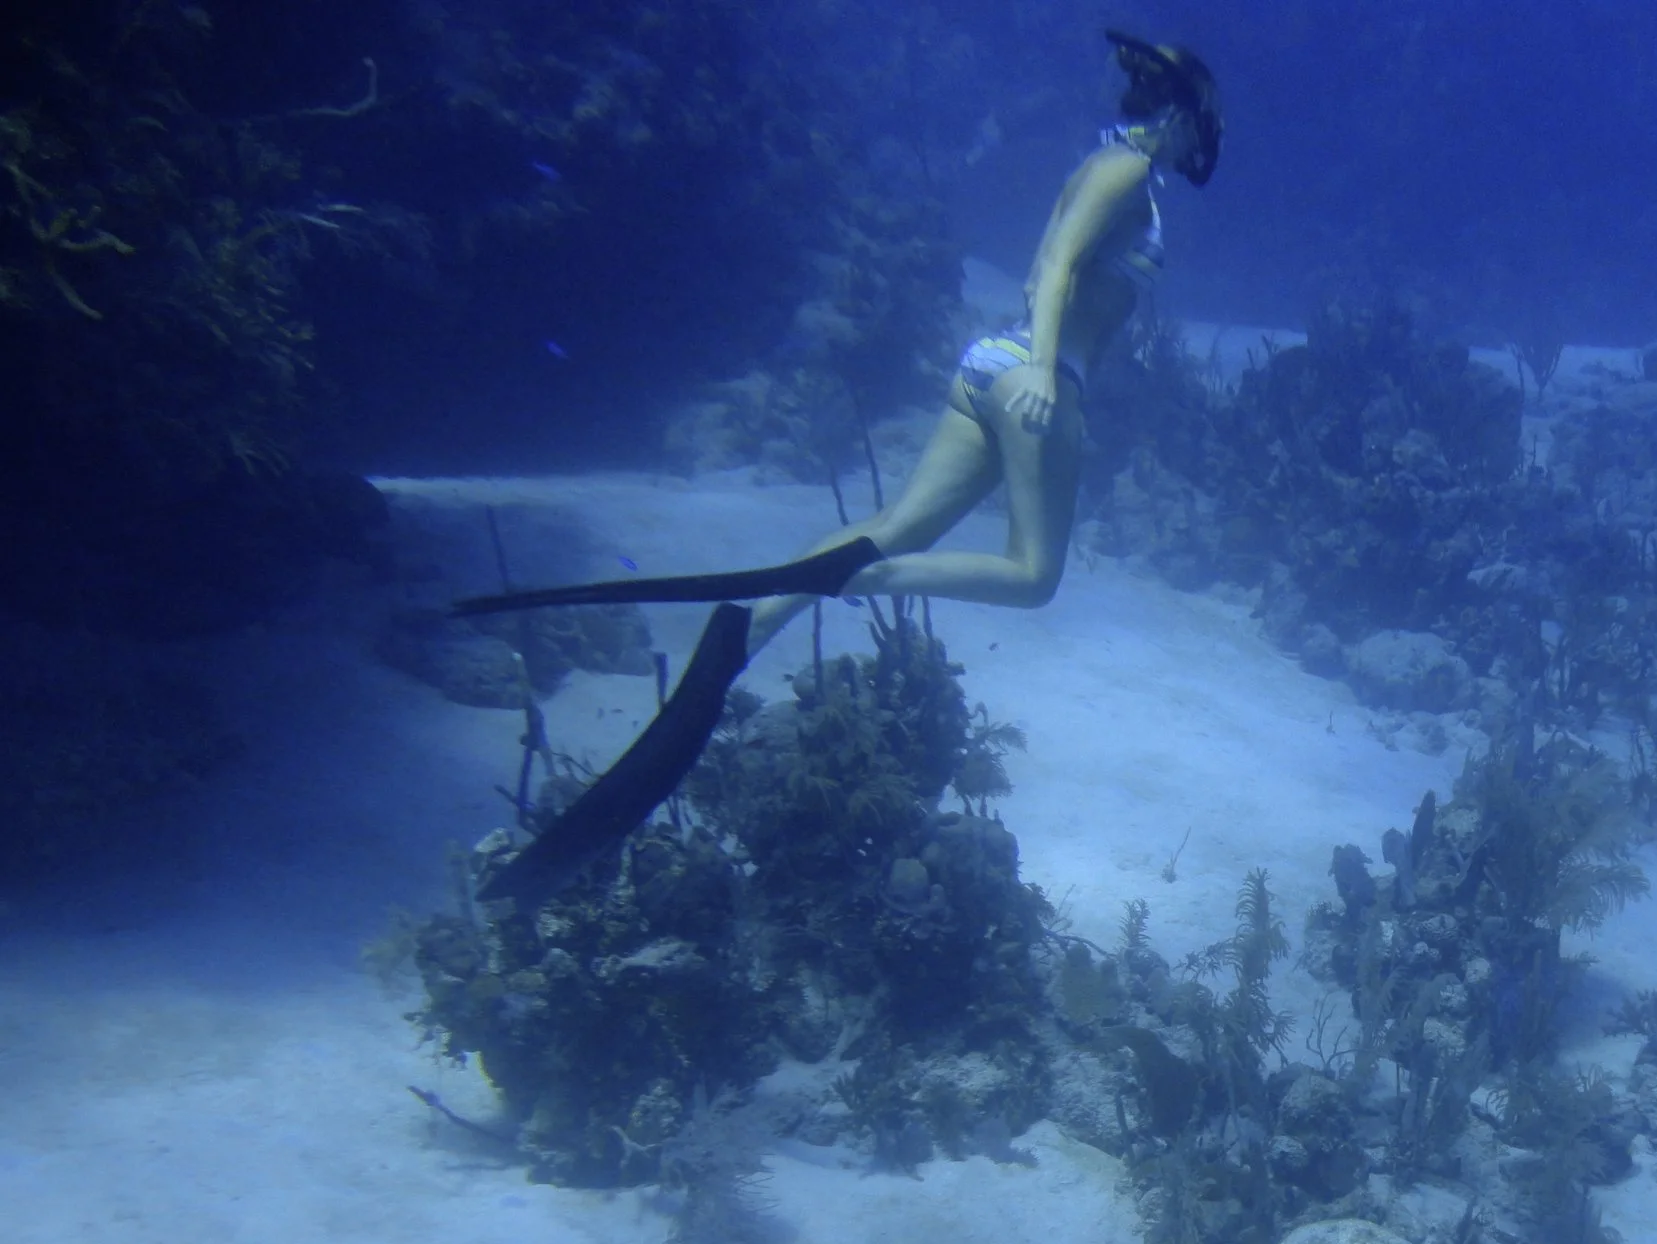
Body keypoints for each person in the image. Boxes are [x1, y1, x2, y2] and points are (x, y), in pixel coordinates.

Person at [454, 33, 1220, 909]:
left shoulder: (1102, 163)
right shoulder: (1125, 173)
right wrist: (1046, 370)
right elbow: (1054, 269)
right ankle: (842, 581)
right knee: (1033, 578)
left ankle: (750, 621)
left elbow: (1057, 262)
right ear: (1182, 114)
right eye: (1207, 131)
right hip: (1033, 381)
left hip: (988, 366)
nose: (1207, 152)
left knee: (896, 525)